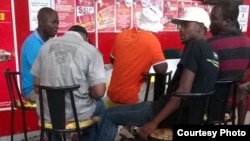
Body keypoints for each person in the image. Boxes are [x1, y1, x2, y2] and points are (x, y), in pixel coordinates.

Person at [97, 7, 219, 141]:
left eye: (185, 25)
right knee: (141, 103)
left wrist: (154, 122)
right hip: (192, 114)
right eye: (180, 25)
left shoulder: (194, 46)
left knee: (109, 115)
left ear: (200, 27)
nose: (180, 29)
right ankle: (129, 131)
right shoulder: (212, 52)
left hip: (167, 113)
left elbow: (183, 92)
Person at [31, 25, 107, 141]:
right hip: (77, 114)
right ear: (86, 38)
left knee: (53, 117)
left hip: (47, 113)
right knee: (102, 108)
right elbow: (99, 92)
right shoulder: (91, 51)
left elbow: (37, 87)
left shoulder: (45, 46)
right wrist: (89, 91)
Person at [107, 6, 168, 105]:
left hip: (112, 93)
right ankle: (154, 116)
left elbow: (113, 60)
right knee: (159, 86)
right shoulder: (151, 39)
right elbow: (161, 70)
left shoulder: (121, 35)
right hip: (131, 96)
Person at [208, 0, 250, 125]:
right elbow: (242, 77)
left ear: (227, 22)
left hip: (208, 102)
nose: (210, 22)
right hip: (231, 102)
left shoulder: (210, 44)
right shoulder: (248, 43)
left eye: (214, 18)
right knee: (242, 92)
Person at [20, 7, 59, 102]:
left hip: (45, 88)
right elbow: (44, 76)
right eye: (53, 22)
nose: (56, 26)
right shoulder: (33, 44)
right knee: (69, 102)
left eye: (57, 23)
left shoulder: (47, 42)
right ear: (41, 22)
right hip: (33, 91)